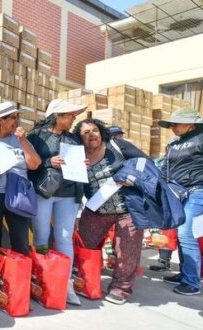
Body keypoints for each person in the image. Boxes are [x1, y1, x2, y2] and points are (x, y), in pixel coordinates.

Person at [73, 119, 148, 305]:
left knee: (127, 250)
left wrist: (132, 177)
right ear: (80, 138)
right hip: (96, 210)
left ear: (101, 132)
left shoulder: (116, 145)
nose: (92, 134)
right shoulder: (77, 156)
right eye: (86, 132)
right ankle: (84, 281)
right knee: (84, 245)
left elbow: (144, 161)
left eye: (95, 130)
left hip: (128, 209)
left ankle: (120, 289)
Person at [27, 99, 87, 306]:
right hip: (43, 193)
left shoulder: (74, 140)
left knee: (64, 238)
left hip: (69, 194)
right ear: (58, 116)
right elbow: (27, 165)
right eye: (70, 115)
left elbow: (79, 167)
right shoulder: (35, 136)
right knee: (42, 237)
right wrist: (47, 162)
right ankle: (41, 280)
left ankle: (66, 284)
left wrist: (82, 164)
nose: (73, 119)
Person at [0, 102, 41, 256]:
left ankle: (19, 277)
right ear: (0, 120)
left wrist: (23, 141)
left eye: (17, 117)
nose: (16, 121)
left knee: (20, 241)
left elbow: (34, 164)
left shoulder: (21, 140)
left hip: (18, 195)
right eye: (13, 117)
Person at [157, 108, 203, 296]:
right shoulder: (176, 143)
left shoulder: (201, 137)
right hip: (178, 193)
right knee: (181, 233)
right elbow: (167, 167)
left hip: (198, 191)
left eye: (177, 123)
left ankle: (192, 282)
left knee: (187, 234)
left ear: (191, 123)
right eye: (172, 124)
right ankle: (185, 274)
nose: (173, 127)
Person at [149, 136, 180, 273]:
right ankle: (164, 261)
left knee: (187, 235)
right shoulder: (161, 162)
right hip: (166, 199)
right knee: (166, 231)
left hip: (185, 198)